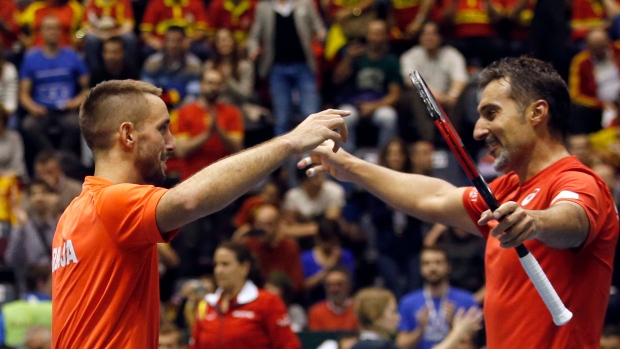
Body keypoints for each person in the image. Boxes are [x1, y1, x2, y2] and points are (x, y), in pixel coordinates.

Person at [299, 56, 619, 348]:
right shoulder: (506, 190)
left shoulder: (578, 181)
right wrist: (351, 167)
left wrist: (535, 221)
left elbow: (574, 219)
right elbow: (434, 197)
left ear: (537, 112)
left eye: (491, 113)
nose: (479, 130)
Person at [51, 79, 348, 348]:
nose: (171, 143)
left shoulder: (72, 215)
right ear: (128, 135)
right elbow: (190, 200)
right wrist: (290, 142)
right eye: (162, 128)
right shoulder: (112, 202)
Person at [189, 241, 301, 349]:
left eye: (225, 264)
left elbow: (288, 345)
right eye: (216, 264)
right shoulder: (207, 305)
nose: (218, 270)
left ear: (244, 267)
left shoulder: (268, 302)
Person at [395, 247, 478, 349]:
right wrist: (420, 329)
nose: (432, 268)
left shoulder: (467, 301)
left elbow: (469, 346)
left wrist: (453, 325)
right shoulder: (408, 302)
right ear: (421, 268)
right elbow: (401, 345)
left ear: (448, 266)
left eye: (438, 262)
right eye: (427, 263)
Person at [307, 265, 358, 331]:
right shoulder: (316, 312)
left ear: (349, 286)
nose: (334, 289)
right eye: (330, 285)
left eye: (339, 284)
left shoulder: (358, 309)